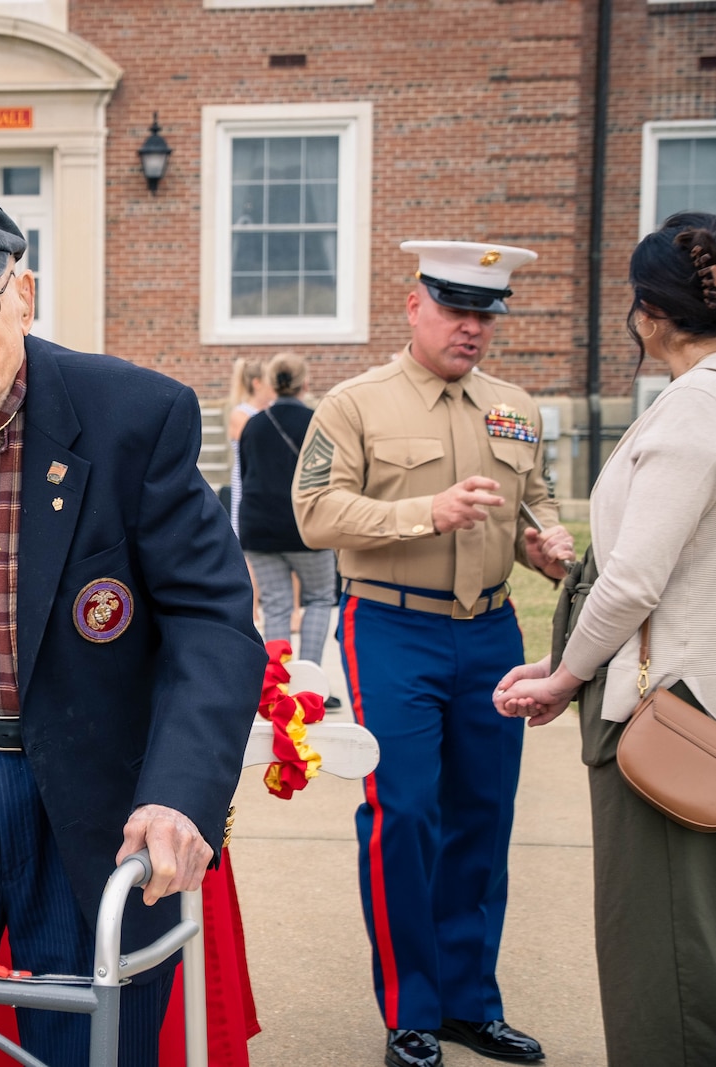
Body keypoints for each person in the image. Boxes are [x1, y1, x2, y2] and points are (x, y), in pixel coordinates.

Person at [0, 196, 264, 1067]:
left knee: (88, 1047)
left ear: (24, 295)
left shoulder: (131, 415)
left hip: (85, 794)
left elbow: (212, 620)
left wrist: (180, 791)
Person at [292, 241, 575, 1067]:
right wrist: (426, 512)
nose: (472, 328)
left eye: (485, 313)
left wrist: (546, 546)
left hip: (489, 632)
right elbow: (313, 513)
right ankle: (410, 1009)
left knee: (482, 817)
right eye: (455, 309)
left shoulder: (514, 405)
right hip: (389, 625)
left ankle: (468, 1003)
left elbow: (536, 503)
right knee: (404, 813)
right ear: (414, 305)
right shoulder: (354, 404)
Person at [494, 213, 716, 1067]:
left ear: (647, 316)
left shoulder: (690, 415)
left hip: (672, 717)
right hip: (694, 692)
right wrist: (561, 660)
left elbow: (632, 580)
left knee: (662, 957)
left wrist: (563, 679)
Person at [238, 352, 336, 668]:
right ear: (304, 383)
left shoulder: (253, 425)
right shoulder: (318, 422)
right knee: (320, 599)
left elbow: (245, 473)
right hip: (306, 528)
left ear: (271, 384)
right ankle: (312, 683)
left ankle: (279, 686)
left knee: (276, 606)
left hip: (259, 527)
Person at [225, 356, 274, 537]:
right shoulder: (241, 414)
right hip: (248, 481)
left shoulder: (274, 409)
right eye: (271, 380)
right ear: (257, 383)